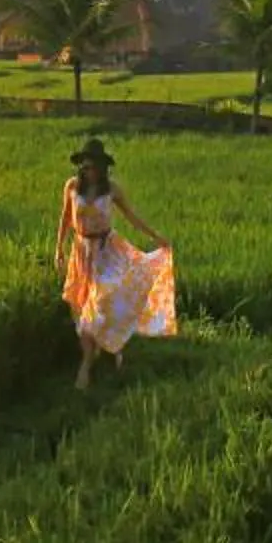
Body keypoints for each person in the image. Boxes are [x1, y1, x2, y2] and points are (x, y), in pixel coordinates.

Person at [56, 138, 175, 388]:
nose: (90, 169)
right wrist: (59, 250)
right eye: (86, 165)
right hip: (81, 255)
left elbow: (132, 216)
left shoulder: (112, 189)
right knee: (81, 310)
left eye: (94, 165)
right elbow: (65, 218)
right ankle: (102, 351)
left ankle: (88, 364)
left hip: (106, 252)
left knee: (100, 304)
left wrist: (156, 237)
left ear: (102, 167)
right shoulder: (71, 186)